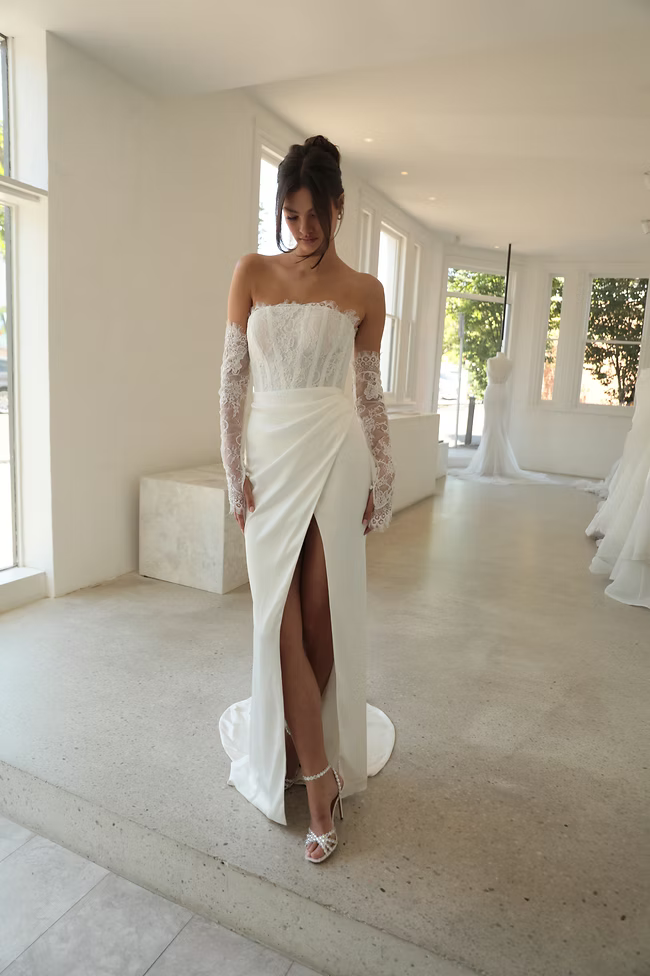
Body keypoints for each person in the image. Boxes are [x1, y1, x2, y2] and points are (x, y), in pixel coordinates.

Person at [217, 135, 396, 863]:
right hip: (268, 453)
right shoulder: (251, 272)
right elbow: (232, 382)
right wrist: (234, 471)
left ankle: (301, 743)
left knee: (320, 618)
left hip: (334, 450)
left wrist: (382, 479)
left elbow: (372, 397)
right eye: (291, 216)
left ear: (340, 207)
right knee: (277, 619)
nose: (303, 231)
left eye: (315, 216)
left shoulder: (365, 293)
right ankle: (318, 782)